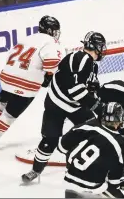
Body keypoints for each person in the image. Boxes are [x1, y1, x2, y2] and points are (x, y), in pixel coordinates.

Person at [21, 31, 107, 183]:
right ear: (97, 47)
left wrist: (95, 94)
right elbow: (76, 90)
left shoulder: (90, 64)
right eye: (102, 47)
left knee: (91, 132)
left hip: (72, 105)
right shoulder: (81, 59)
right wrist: (98, 107)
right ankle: (36, 171)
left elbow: (87, 87)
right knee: (51, 140)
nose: (103, 50)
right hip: (56, 103)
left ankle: (92, 167)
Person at [0, 15, 62, 150]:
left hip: (6, 77)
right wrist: (48, 76)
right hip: (26, 84)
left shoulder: (27, 38)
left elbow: (10, 57)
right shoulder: (51, 42)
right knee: (10, 115)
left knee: (3, 104)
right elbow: (51, 64)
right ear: (50, 31)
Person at [58, 102, 124, 198]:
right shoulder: (119, 142)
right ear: (120, 120)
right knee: (118, 196)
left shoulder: (88, 126)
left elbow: (62, 146)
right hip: (92, 186)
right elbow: (115, 180)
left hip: (69, 179)